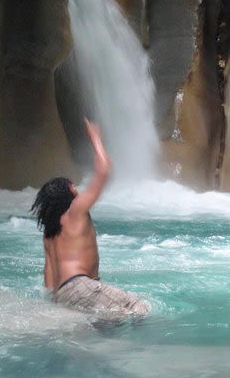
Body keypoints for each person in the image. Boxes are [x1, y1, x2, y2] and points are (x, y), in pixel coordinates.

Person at [31, 119, 149, 316]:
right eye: (74, 186)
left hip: (63, 295)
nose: (77, 188)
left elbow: (49, 280)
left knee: (111, 319)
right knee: (138, 307)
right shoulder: (75, 211)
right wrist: (95, 138)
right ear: (69, 190)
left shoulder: (49, 233)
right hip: (82, 286)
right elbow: (103, 171)